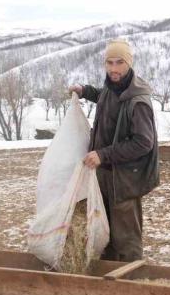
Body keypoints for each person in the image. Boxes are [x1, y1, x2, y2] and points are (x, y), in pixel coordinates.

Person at [68, 40, 159, 261]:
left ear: (129, 63)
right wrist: (85, 91)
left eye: (120, 62)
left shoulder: (138, 101)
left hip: (125, 179)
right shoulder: (112, 87)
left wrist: (103, 154)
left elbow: (143, 142)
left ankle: (131, 277)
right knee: (105, 233)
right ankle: (109, 277)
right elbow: (105, 96)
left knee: (126, 240)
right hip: (105, 174)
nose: (114, 68)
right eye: (109, 63)